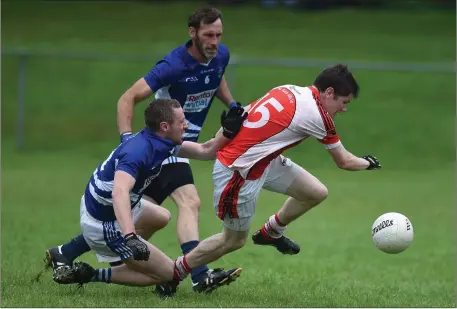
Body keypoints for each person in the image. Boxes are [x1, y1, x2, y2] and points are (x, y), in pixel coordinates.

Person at [44, 6, 241, 293]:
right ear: (192, 33)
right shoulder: (172, 66)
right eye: (208, 35)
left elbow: (215, 78)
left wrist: (233, 107)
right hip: (163, 146)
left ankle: (66, 252)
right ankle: (198, 274)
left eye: (219, 35)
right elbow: (128, 98)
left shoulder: (220, 55)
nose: (215, 42)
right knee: (188, 202)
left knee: (147, 211)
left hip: (181, 146)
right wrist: (128, 142)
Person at [164, 64, 381, 277]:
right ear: (329, 92)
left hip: (262, 161)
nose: (344, 108)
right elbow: (344, 161)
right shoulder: (318, 116)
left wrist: (219, 143)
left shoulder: (288, 89)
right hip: (239, 174)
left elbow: (243, 114)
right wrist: (368, 162)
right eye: (344, 102)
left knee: (315, 192)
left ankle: (272, 231)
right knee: (233, 241)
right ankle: (173, 273)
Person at [50, 98, 246, 295]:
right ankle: (92, 274)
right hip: (105, 224)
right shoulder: (139, 151)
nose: (186, 125)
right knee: (169, 274)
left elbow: (206, 150)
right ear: (164, 126)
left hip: (104, 206)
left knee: (162, 216)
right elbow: (119, 192)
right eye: (181, 121)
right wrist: (130, 236)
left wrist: (227, 132)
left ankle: (127, 258)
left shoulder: (163, 140)